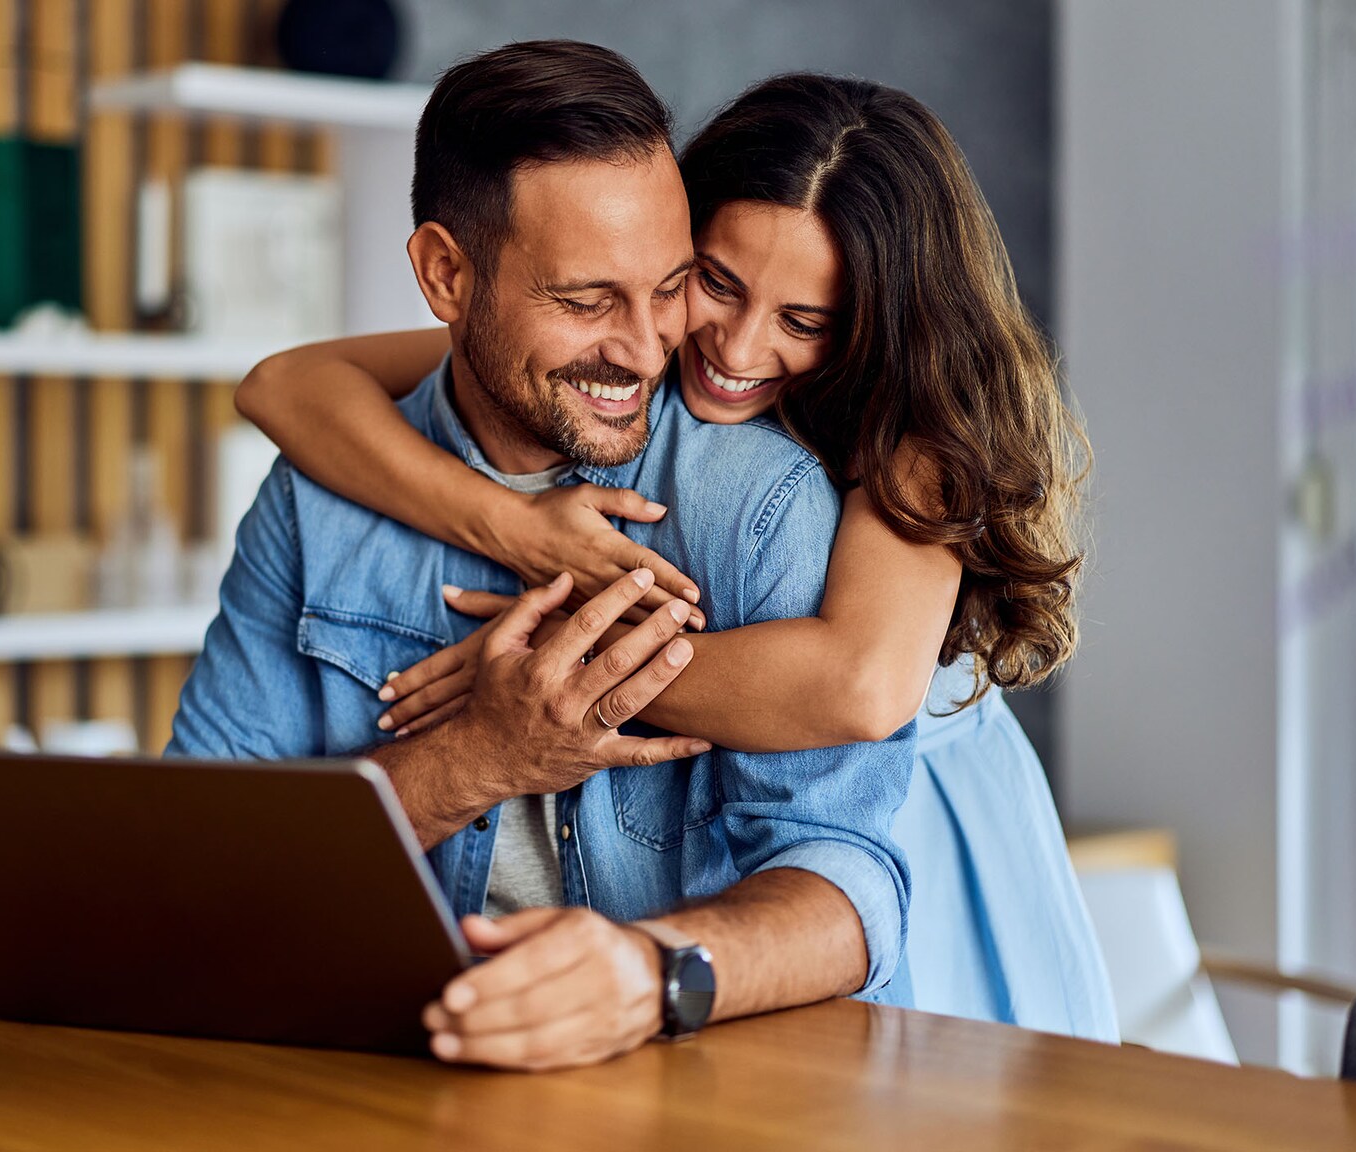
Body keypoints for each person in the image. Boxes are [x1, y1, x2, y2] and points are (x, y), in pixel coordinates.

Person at [234, 73, 1116, 1041]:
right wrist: (511, 525)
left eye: (803, 321)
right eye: (713, 283)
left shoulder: (913, 428)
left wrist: (553, 679)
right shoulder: (618, 344)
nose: (733, 348)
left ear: (877, 322)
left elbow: (861, 688)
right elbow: (289, 383)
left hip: (918, 812)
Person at [165, 41, 915, 1072]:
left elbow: (852, 888)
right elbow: (191, 867)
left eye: (667, 287)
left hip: (709, 1095)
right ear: (444, 275)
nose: (652, 349)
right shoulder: (315, 500)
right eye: (584, 301)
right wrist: (474, 757)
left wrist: (647, 973)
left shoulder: (762, 501)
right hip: (391, 1077)